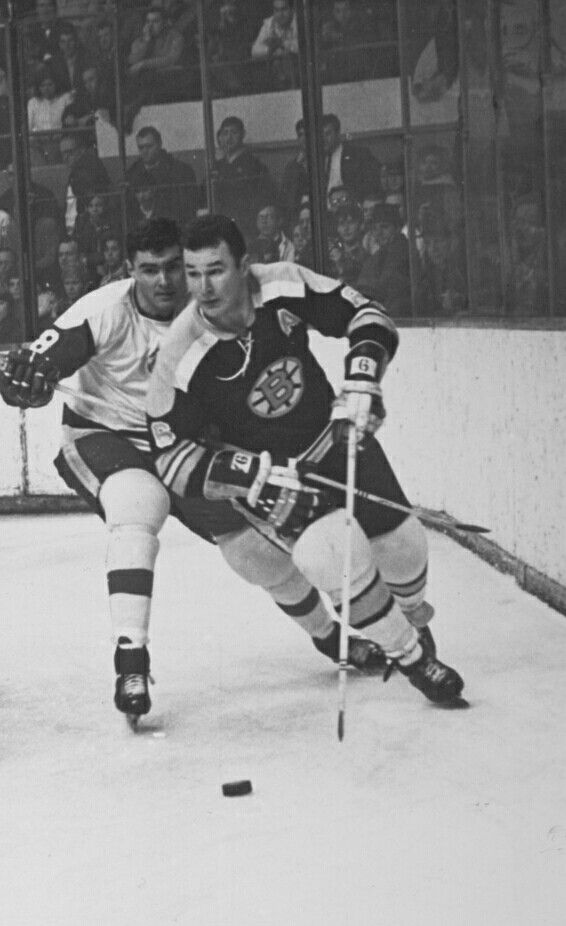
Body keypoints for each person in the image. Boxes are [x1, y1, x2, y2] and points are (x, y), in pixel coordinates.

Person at [0, 217, 387, 723]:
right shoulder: (103, 310)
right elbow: (30, 369)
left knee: (252, 553)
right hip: (107, 437)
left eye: (172, 269)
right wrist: (24, 380)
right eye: (148, 271)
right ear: (129, 271)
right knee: (139, 506)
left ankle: (330, 637)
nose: (164, 283)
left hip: (184, 447)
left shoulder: (212, 307)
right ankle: (131, 659)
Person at [145, 214, 467, 708]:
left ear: (244, 266)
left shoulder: (282, 284)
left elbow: (366, 314)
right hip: (278, 478)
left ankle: (412, 621)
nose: (202, 287)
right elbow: (171, 456)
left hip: (335, 442)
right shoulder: (178, 354)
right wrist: (247, 475)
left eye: (215, 270)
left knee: (403, 546)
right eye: (192, 273)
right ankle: (411, 658)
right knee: (330, 556)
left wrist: (363, 378)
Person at [208, 115, 278, 240]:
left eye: (234, 132)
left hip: (246, 229)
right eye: (225, 133)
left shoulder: (254, 165)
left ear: (242, 134)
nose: (229, 138)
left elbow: (264, 198)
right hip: (221, 229)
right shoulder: (217, 167)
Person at [125, 126, 198, 229]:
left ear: (159, 144)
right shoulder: (131, 175)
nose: (145, 151)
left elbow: (188, 208)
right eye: (141, 147)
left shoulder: (181, 171)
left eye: (149, 146)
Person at [322, 114, 380, 208]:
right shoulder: (316, 161)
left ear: (337, 133)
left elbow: (371, 185)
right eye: (320, 135)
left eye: (327, 134)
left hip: (351, 211)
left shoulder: (357, 155)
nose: (323, 139)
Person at [59, 131, 111, 237]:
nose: (66, 157)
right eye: (63, 153)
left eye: (70, 152)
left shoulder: (86, 169)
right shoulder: (78, 169)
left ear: (81, 150)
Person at [251, 0, 299, 90]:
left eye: (284, 10)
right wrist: (270, 49)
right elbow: (254, 51)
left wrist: (282, 44)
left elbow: (303, 47)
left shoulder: (299, 21)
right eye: (276, 10)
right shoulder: (269, 24)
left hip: (299, 75)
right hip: (276, 80)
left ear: (292, 9)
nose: (280, 14)